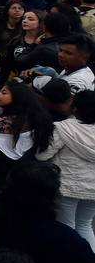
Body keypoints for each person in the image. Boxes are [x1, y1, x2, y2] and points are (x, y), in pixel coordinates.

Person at [0, 79, 53, 197]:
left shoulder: (1, 122)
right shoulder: (36, 121)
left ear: (17, 98)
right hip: (20, 179)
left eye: (4, 93)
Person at [37, 89, 95, 249]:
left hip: (68, 187)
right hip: (93, 190)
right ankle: (89, 259)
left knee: (65, 227)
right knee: (85, 225)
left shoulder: (63, 128)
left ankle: (66, 259)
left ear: (75, 108)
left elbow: (43, 155)